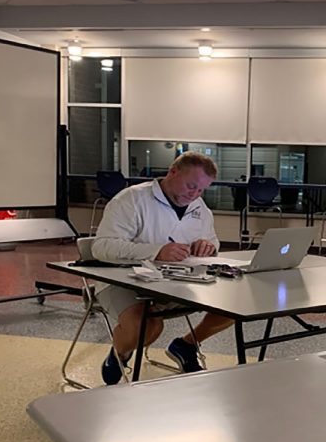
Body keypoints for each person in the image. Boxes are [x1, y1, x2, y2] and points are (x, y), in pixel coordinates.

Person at [91, 151, 234, 384]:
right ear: (173, 171)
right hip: (124, 278)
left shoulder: (198, 206)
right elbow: (102, 247)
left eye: (201, 190)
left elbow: (213, 240)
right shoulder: (131, 199)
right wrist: (156, 251)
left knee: (233, 304)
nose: (195, 194)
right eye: (191, 186)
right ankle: (121, 353)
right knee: (148, 327)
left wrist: (207, 246)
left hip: (176, 282)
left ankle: (186, 346)